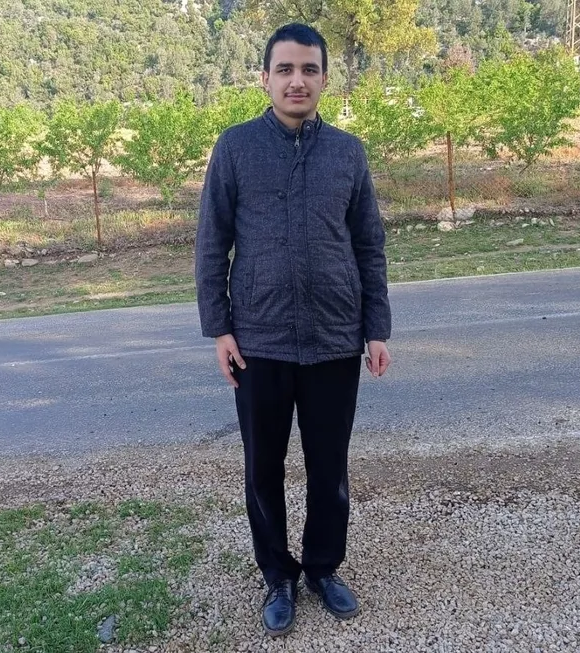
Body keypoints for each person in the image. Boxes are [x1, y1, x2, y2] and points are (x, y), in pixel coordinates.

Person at [195, 23, 391, 637]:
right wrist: (220, 328)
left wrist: (375, 327)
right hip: (259, 341)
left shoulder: (348, 153)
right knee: (263, 468)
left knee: (329, 467)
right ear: (265, 78)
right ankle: (277, 575)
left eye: (309, 70)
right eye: (285, 69)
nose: (297, 81)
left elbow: (369, 245)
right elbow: (211, 243)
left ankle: (323, 569)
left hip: (335, 338)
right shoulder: (235, 148)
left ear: (325, 79)